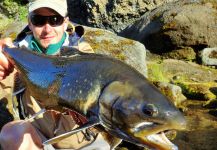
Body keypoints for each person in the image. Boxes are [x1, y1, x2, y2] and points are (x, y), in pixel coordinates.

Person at [0, 0, 111, 149]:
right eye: (38, 20)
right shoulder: (17, 56)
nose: (47, 29)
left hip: (86, 144)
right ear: (30, 23)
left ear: (65, 22)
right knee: (11, 133)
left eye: (55, 20)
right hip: (40, 141)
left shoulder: (84, 55)